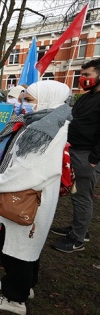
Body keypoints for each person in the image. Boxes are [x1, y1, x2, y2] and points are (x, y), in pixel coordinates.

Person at [0, 80, 72, 314]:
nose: (23, 104)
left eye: (29, 100)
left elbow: (26, 170)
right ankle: (24, 285)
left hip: (27, 197)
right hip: (36, 195)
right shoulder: (53, 121)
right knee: (28, 247)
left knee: (19, 248)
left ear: (48, 99)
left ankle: (14, 299)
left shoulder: (42, 129)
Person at [50, 58, 100, 252]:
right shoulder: (86, 97)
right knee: (75, 194)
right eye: (81, 74)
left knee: (81, 195)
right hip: (75, 150)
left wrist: (94, 159)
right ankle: (79, 228)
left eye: (87, 74)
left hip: (87, 156)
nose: (82, 78)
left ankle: (77, 239)